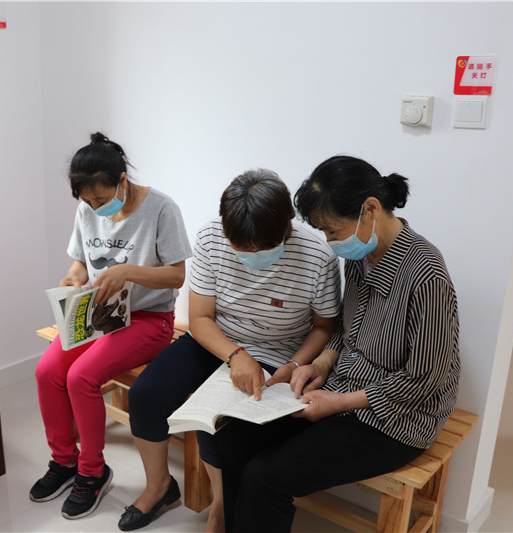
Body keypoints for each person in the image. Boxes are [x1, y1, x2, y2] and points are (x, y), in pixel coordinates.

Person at [217, 155, 461, 533]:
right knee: (232, 441)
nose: (330, 243)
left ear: (371, 209)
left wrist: (339, 402)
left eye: (332, 231)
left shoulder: (425, 276)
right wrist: (319, 364)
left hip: (397, 417)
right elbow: (347, 329)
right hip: (340, 388)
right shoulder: (361, 255)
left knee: (265, 477)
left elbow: (425, 379)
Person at [121, 169, 342, 532]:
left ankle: (221, 507)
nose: (251, 257)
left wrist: (295, 363)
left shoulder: (317, 256)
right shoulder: (211, 237)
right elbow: (200, 318)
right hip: (216, 340)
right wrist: (236, 355)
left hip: (278, 352)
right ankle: (159, 486)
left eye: (261, 250)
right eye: (242, 249)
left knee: (220, 424)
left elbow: (324, 327)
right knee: (145, 396)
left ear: (286, 229)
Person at [31, 132, 192, 520]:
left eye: (101, 200)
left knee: (81, 377)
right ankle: (64, 461)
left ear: (122, 180)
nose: (95, 208)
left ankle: (92, 472)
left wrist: (127, 271)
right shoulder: (87, 208)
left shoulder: (161, 208)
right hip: (100, 313)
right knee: (47, 371)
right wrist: (73, 279)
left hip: (149, 320)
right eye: (87, 202)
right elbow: (80, 263)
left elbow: (176, 276)